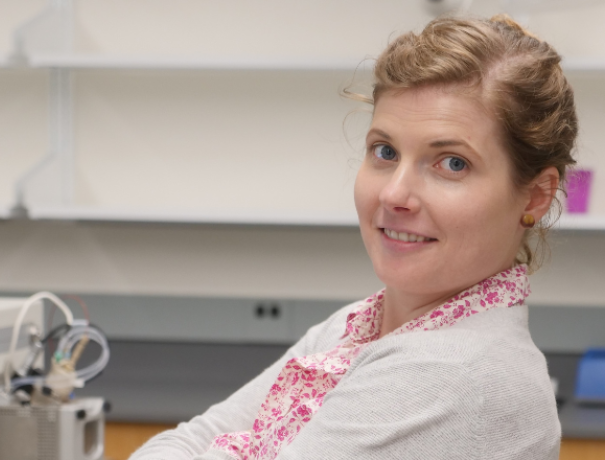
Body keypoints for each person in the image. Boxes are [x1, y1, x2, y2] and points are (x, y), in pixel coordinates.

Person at [130, 14, 577, 460]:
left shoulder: (456, 374)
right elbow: (194, 437)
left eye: (452, 163)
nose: (394, 193)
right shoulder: (358, 326)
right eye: (385, 152)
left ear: (536, 196)